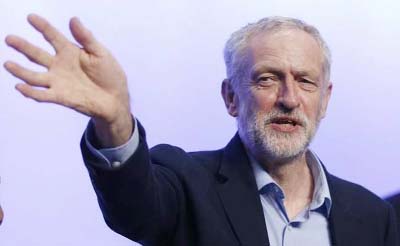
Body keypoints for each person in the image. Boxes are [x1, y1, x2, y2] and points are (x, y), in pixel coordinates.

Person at [4, 14, 398, 246]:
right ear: (230, 97)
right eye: (267, 79)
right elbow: (136, 208)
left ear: (325, 99)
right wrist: (116, 120)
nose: (289, 98)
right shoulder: (186, 183)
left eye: (306, 82)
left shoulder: (374, 217)